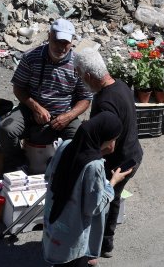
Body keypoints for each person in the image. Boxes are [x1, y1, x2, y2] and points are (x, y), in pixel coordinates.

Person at [73, 48, 144, 258]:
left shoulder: (104, 102)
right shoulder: (120, 85)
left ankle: (99, 245)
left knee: (103, 198)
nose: (79, 79)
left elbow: (109, 146)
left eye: (79, 75)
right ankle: (105, 244)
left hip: (119, 161)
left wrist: (82, 155)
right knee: (114, 197)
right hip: (133, 153)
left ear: (88, 75)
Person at [0, 18, 93, 170]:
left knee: (80, 137)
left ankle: (65, 170)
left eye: (65, 43)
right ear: (49, 36)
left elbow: (85, 99)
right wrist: (36, 108)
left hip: (64, 114)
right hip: (30, 110)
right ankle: (17, 164)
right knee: (6, 129)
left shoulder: (78, 64)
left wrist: (68, 116)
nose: (61, 47)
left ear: (71, 42)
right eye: (56, 41)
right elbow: (18, 88)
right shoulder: (31, 57)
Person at [42, 112, 133, 267]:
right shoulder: (94, 166)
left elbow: (48, 176)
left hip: (55, 221)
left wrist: (99, 151)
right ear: (104, 138)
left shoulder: (66, 145)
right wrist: (112, 182)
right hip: (73, 233)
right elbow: (94, 207)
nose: (114, 143)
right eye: (113, 139)